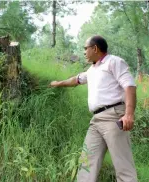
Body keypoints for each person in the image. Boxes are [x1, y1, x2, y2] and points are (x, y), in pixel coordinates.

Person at [50, 35, 137, 182]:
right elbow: (76, 79)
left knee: (123, 166)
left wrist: (129, 115)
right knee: (86, 164)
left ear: (95, 48)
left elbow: (129, 86)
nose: (84, 52)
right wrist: (58, 83)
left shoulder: (114, 62)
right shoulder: (92, 69)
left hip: (113, 117)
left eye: (85, 48)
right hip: (96, 120)